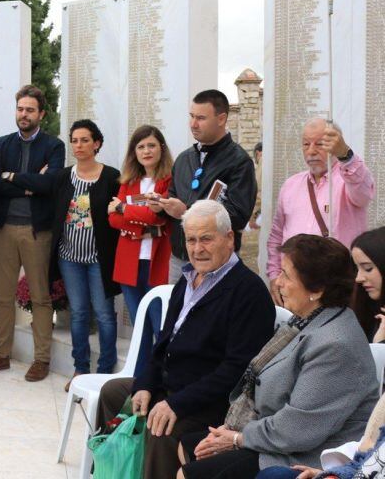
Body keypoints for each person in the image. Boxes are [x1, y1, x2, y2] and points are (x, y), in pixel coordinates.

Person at [96, 199, 275, 479]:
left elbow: (237, 371)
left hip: (208, 404)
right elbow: (163, 345)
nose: (197, 248)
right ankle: (112, 472)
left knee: (160, 429)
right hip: (171, 388)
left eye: (206, 239)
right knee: (114, 393)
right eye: (191, 240)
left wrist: (176, 404)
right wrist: (145, 384)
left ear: (229, 239)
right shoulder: (188, 280)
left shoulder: (248, 292)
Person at [177, 234, 377, 479]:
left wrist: (239, 438)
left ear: (317, 289)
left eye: (286, 275)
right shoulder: (307, 319)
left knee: (191, 472)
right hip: (279, 434)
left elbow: (299, 428)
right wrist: (232, 430)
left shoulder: (335, 343)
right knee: (189, 446)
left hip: (309, 455)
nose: (277, 283)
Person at [0, 84, 65, 382]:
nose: (24, 114)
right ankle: (1, 354)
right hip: (4, 229)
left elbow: (50, 184)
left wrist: (13, 177)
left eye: (30, 110)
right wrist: (30, 184)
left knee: (41, 297)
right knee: (3, 296)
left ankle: (41, 359)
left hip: (36, 231)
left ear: (41, 113)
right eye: (20, 109)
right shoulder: (2, 145)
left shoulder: (54, 146)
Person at [266, 119, 375, 303]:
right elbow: (277, 235)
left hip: (336, 284)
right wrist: (274, 274)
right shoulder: (291, 185)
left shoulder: (348, 179)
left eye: (320, 144)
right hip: (296, 287)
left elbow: (363, 193)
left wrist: (346, 156)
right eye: (306, 144)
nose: (311, 151)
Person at [52, 119, 121, 391]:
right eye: (75, 140)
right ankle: (80, 369)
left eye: (84, 140)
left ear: (97, 143)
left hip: (98, 260)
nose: (79, 146)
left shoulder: (112, 177)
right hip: (69, 257)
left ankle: (104, 373)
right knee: (79, 313)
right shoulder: (63, 176)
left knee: (104, 314)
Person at [160, 89, 257, 281]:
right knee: (177, 311)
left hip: (215, 263)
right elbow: (173, 197)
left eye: (201, 118)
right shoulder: (183, 158)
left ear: (221, 119)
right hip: (179, 260)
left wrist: (186, 211)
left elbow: (238, 216)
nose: (193, 124)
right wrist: (161, 207)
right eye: (191, 116)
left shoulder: (239, 162)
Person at [107, 125, 173, 377]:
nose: (146, 151)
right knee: (139, 326)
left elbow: (158, 217)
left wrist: (125, 210)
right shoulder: (129, 182)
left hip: (157, 263)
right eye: (141, 146)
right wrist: (142, 225)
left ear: (161, 148)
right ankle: (140, 379)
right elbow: (112, 220)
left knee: (159, 325)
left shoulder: (169, 180)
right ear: (134, 152)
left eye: (151, 145)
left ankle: (161, 379)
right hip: (129, 263)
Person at [351, 227, 385, 342]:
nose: (358, 278)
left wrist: (380, 345)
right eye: (357, 269)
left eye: (368, 268)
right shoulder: (367, 311)